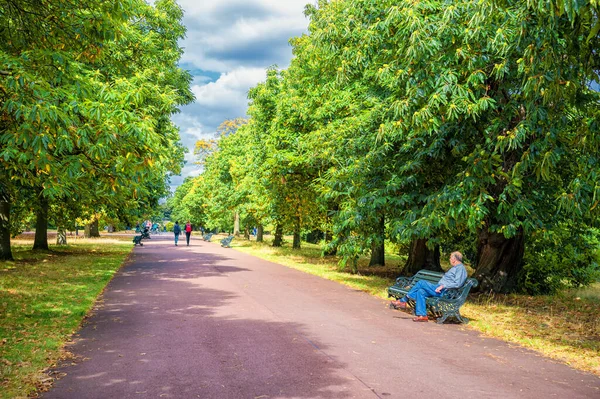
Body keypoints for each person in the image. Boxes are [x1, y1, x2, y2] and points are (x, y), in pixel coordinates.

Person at [390, 251, 467, 322]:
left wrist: (443, 286)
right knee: (421, 291)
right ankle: (423, 315)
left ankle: (403, 300)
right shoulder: (456, 268)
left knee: (421, 283)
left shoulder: (460, 269)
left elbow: (458, 283)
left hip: (445, 292)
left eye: (450, 258)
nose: (449, 259)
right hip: (440, 289)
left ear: (454, 259)